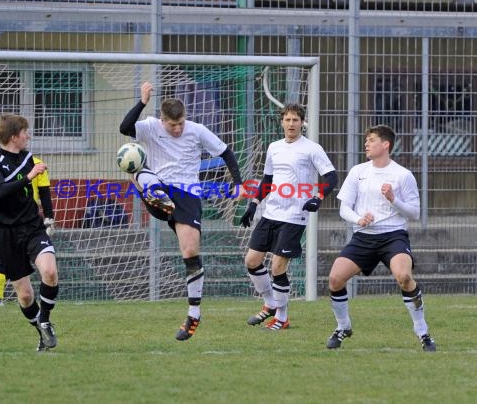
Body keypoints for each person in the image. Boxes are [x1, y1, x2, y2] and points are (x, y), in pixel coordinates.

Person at [119, 81, 245, 341]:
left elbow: (226, 152)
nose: (177, 129)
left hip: (187, 193)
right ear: (162, 120)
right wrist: (142, 101)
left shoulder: (197, 130)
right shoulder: (151, 126)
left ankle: (194, 314)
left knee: (190, 251)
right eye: (171, 125)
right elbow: (124, 128)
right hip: (159, 184)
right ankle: (157, 196)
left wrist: (238, 183)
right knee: (136, 168)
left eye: (180, 124)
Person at [326, 124, 436, 352]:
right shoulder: (358, 172)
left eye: (371, 140)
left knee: (404, 277)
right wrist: (358, 220)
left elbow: (414, 213)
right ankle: (343, 327)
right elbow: (344, 208)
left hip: (393, 236)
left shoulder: (403, 175)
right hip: (363, 237)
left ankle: (423, 332)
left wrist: (393, 199)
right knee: (335, 279)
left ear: (385, 144)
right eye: (366, 140)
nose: (366, 143)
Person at [240, 103, 338, 330]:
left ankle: (282, 318)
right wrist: (254, 205)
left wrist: (318, 197)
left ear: (302, 123)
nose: (291, 124)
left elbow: (331, 176)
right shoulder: (274, 147)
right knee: (252, 261)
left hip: (295, 216)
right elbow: (267, 180)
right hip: (271, 212)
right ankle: (270, 304)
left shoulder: (312, 148)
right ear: (281, 122)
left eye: (296, 120)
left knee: (277, 267)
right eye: (288, 119)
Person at [0, 114, 59, 351]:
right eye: (25, 132)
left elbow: (44, 191)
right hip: (6, 234)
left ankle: (45, 320)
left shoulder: (29, 159)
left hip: (32, 228)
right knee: (25, 296)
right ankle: (41, 333)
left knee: (49, 271)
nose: (29, 135)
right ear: (14, 136)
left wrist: (48, 216)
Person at [0, 156, 55, 307]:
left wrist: (49, 218)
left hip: (30, 222)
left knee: (46, 266)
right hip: (6, 222)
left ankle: (43, 313)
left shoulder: (37, 164)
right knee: (2, 258)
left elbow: (44, 192)